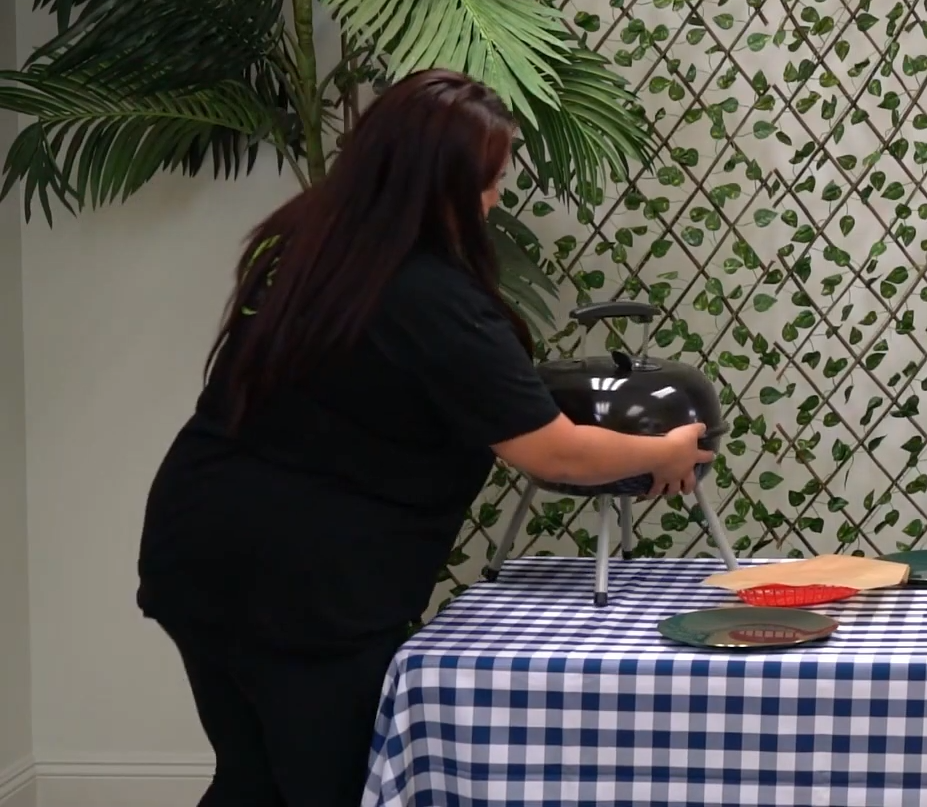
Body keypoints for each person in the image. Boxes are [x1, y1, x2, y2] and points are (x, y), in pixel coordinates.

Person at [135, 69, 712, 807]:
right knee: (328, 785)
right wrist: (665, 452)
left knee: (252, 777)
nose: (495, 200)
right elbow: (554, 450)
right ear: (433, 186)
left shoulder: (305, 244)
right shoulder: (431, 295)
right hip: (304, 581)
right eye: (488, 183)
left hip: (197, 540)